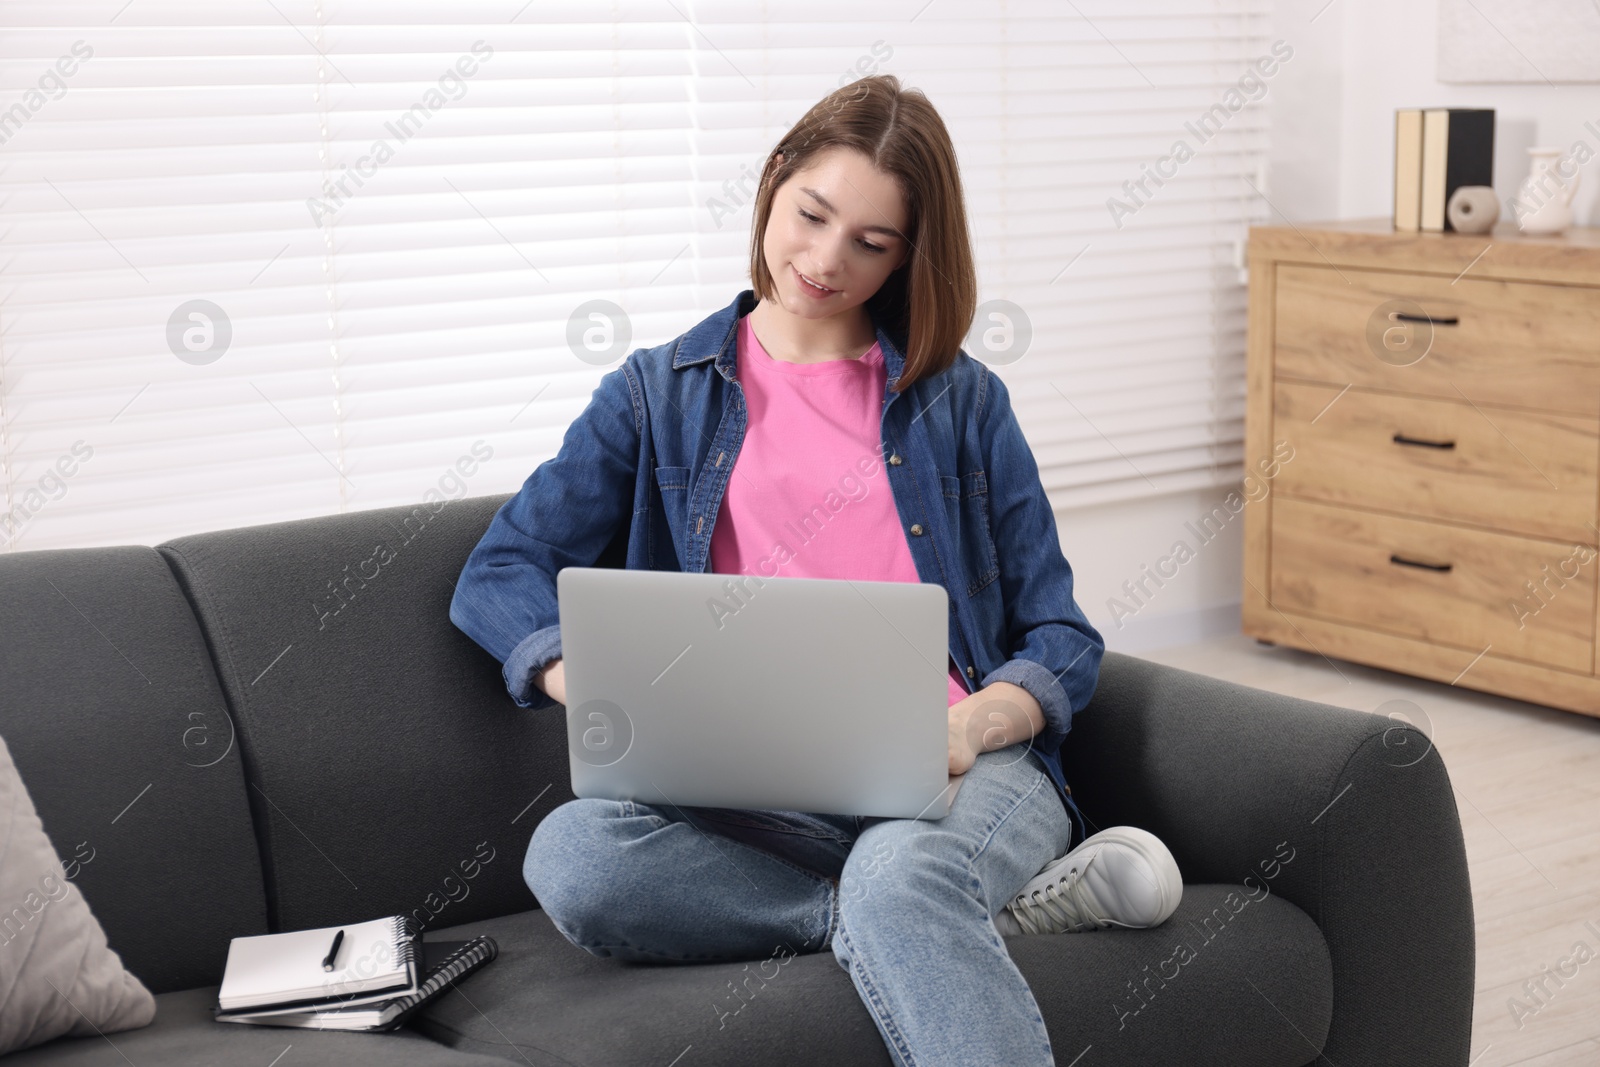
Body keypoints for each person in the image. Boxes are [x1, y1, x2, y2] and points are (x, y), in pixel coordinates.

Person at [449, 73, 1181, 1067]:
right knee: (574, 854)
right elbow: (502, 567)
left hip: (958, 771)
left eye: (871, 243)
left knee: (901, 861)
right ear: (775, 180)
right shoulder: (655, 395)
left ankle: (914, 895)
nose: (825, 261)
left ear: (909, 256)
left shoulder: (962, 404)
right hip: (755, 795)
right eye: (812, 215)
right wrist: (587, 680)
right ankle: (939, 913)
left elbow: (1061, 638)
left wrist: (971, 723)